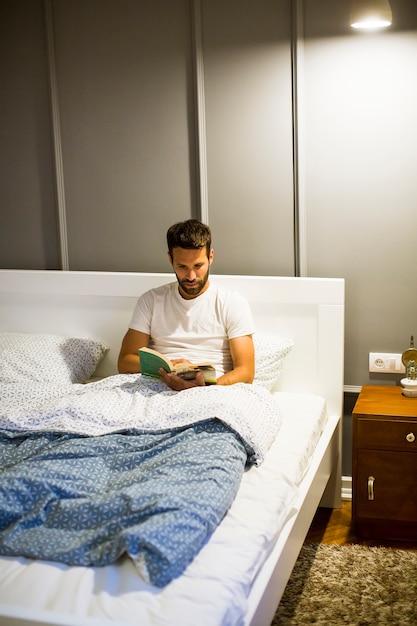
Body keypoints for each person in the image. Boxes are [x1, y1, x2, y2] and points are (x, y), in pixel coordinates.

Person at [118, 219, 255, 391]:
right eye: (182, 266)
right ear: (170, 259)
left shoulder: (232, 303)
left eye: (198, 266)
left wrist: (206, 386)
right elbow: (125, 361)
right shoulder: (151, 300)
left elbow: (246, 372)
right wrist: (169, 365)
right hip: (158, 386)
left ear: (210, 256)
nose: (191, 276)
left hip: (214, 388)